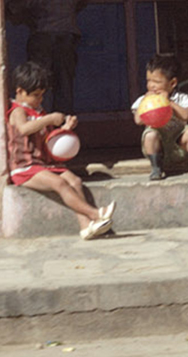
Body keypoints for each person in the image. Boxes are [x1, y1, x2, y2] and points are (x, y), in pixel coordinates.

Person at [6, 60, 114, 240]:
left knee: (75, 181)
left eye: (42, 95)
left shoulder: (38, 112)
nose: (39, 99)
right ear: (19, 91)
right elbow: (24, 129)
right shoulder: (18, 112)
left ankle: (85, 226)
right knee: (60, 184)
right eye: (35, 95)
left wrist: (65, 129)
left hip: (43, 164)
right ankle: (95, 214)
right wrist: (49, 119)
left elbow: (47, 138)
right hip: (25, 168)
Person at [132, 53, 188, 181]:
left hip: (179, 147)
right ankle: (156, 168)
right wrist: (144, 103)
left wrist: (169, 102)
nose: (151, 85)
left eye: (156, 82)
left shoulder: (180, 98)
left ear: (173, 83)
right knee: (150, 135)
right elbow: (138, 120)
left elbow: (186, 115)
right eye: (148, 81)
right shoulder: (144, 100)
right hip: (158, 147)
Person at [20, 0, 90, 114]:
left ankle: (39, 116)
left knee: (39, 79)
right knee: (64, 82)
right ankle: (63, 119)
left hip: (41, 37)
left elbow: (12, 8)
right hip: (66, 38)